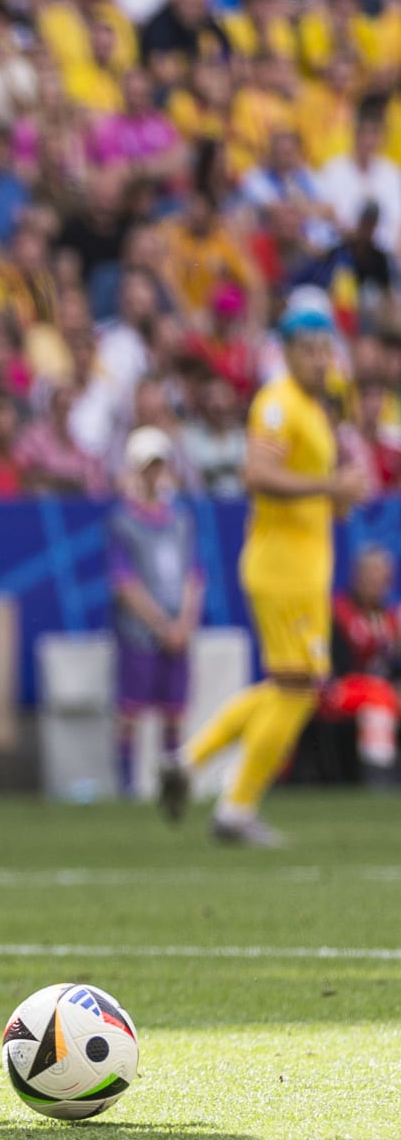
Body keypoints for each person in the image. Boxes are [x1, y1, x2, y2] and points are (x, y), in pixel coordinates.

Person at [160, 303, 370, 845]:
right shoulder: (278, 404)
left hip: (303, 565)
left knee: (290, 686)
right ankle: (232, 805)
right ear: (287, 353)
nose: (320, 360)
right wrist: (330, 488)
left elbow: (317, 491)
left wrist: (341, 493)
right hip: (283, 566)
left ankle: (191, 764)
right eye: (309, 350)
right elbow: (257, 473)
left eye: (326, 349)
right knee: (300, 688)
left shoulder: (314, 408)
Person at [109, 428, 202, 798]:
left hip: (174, 629)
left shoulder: (179, 520)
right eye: (147, 466)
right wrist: (164, 625)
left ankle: (171, 784)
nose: (153, 473)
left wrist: (184, 624)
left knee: (174, 711)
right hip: (139, 631)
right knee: (130, 711)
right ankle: (128, 786)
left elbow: (194, 577)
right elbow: (124, 583)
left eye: (158, 465)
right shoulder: (124, 522)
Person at [321, 545, 401, 785]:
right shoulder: (338, 612)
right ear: (357, 576)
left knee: (384, 696)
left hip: (381, 690)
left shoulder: (389, 618)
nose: (375, 582)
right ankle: (379, 779)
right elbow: (339, 665)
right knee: (380, 700)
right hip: (340, 689)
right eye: (370, 574)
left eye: (381, 576)